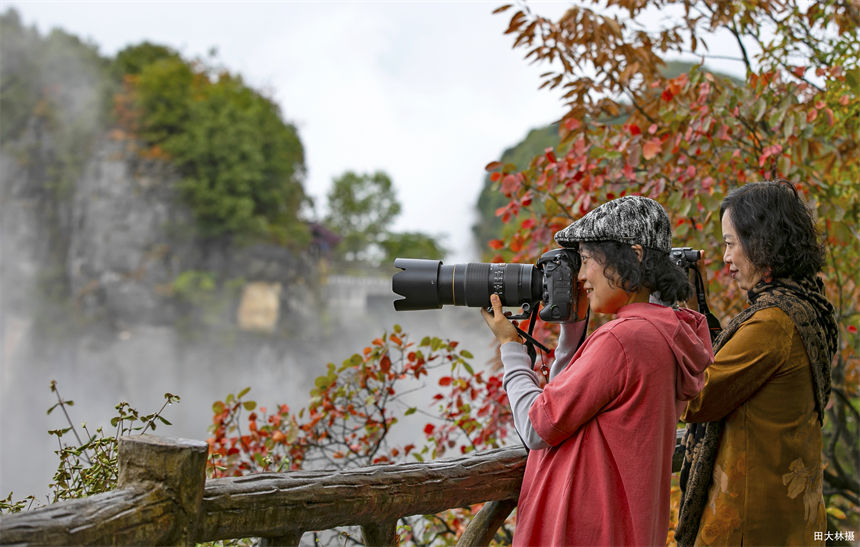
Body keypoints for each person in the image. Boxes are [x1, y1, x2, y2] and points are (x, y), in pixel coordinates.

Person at [482, 195, 714, 546]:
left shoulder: (622, 339)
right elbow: (564, 411)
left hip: (588, 533)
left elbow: (536, 426)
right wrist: (572, 329)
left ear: (633, 256)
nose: (580, 275)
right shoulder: (665, 333)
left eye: (588, 260)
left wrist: (511, 348)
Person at [675, 180, 838, 546]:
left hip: (750, 527)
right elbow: (726, 365)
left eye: (731, 243)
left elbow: (696, 397)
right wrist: (695, 309)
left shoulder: (772, 323)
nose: (726, 258)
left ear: (762, 245)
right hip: (792, 519)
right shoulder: (808, 305)